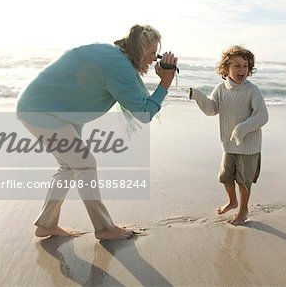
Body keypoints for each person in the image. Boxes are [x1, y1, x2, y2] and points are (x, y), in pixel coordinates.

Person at [16, 24, 178, 240]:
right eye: (151, 53)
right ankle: (104, 228)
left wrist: (161, 80)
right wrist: (165, 83)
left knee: (69, 165)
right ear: (140, 49)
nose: (153, 59)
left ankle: (46, 224)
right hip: (43, 111)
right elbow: (144, 113)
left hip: (52, 107)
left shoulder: (113, 54)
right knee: (85, 163)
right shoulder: (119, 66)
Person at [189, 45, 268, 225]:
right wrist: (197, 95)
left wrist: (241, 129)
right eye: (237, 65)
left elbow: (262, 116)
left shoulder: (252, 90)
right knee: (226, 176)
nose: (242, 70)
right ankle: (232, 202)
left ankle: (243, 209)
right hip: (229, 144)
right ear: (226, 68)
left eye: (245, 66)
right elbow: (211, 109)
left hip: (249, 147)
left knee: (243, 180)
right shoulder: (221, 89)